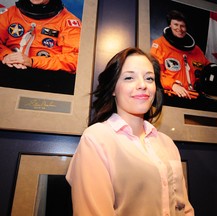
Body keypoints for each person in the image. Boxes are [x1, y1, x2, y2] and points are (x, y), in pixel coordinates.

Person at [66, 47, 195, 216]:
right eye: (129, 77)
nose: (143, 85)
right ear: (113, 88)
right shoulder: (96, 138)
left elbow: (183, 208)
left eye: (149, 78)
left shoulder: (167, 143)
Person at [0, 0, 82, 94]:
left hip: (46, 77)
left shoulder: (68, 22)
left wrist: (32, 61)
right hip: (9, 68)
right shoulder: (10, 13)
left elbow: (75, 59)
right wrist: (7, 55)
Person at [150, 10, 210, 100]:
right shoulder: (160, 45)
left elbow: (208, 70)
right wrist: (173, 85)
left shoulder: (196, 50)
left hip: (195, 97)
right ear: (170, 25)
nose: (179, 29)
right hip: (172, 96)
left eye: (182, 26)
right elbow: (155, 73)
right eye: (176, 24)